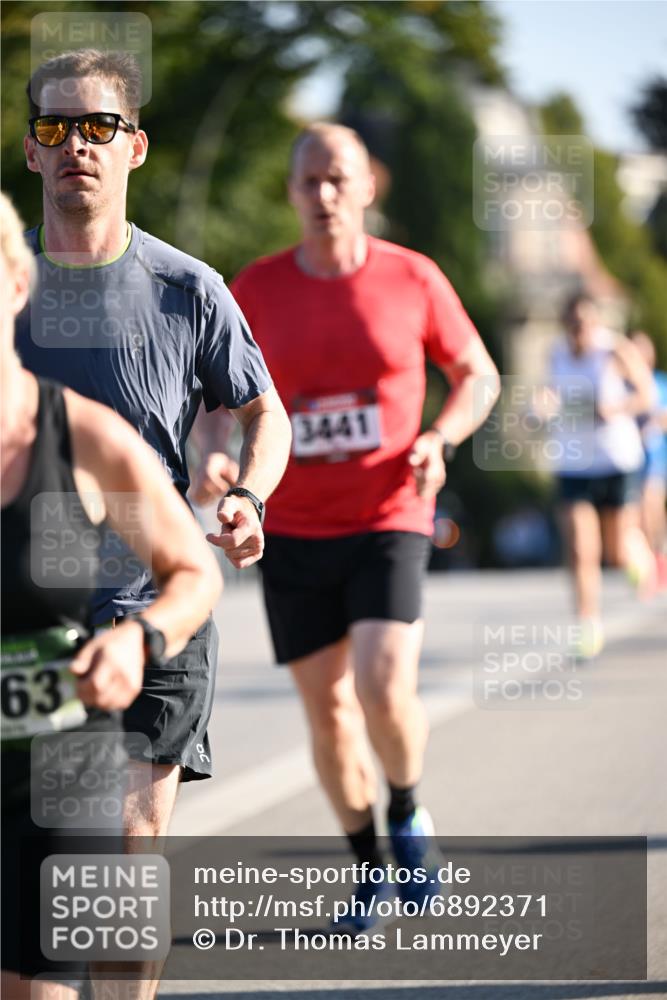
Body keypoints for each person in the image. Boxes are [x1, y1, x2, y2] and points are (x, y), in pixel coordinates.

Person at [15, 49, 292, 847]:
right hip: (27, 616)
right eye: (55, 126)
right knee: (44, 867)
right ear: (32, 149)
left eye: (100, 125)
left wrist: (246, 496)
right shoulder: (8, 288)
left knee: (126, 863)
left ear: (135, 145)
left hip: (153, 604)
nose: (77, 144)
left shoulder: (189, 289)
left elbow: (263, 413)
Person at [226, 122, 500, 930]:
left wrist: (438, 437)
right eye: (308, 181)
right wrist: (224, 467)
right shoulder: (257, 289)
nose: (324, 195)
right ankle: (367, 867)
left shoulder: (412, 277)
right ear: (290, 191)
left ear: (367, 186)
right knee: (329, 713)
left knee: (382, 685)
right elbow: (221, 401)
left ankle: (409, 813)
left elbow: (477, 373)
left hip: (392, 510)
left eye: (338, 179)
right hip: (297, 529)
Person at [1, 191, 222, 999]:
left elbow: (193, 570)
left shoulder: (81, 435)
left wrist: (139, 639)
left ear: (17, 286)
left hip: (61, 755)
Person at [547, 293, 654, 657]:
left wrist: (616, 408)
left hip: (616, 459)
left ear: (597, 322)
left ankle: (639, 553)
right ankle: (587, 625)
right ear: (565, 325)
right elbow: (548, 393)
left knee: (617, 552)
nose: (582, 331)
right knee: (580, 547)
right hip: (573, 462)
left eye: (588, 323)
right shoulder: (556, 352)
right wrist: (538, 408)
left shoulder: (615, 350)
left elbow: (647, 395)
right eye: (575, 325)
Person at [628, 329, 667, 587]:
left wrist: (656, 422)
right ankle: (644, 568)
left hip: (654, 458)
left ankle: (659, 558)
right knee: (635, 517)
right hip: (629, 460)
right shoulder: (621, 385)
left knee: (652, 510)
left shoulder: (660, 382)